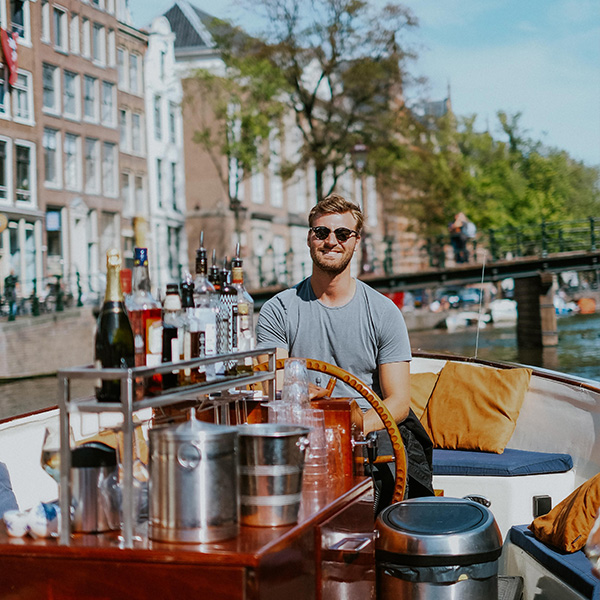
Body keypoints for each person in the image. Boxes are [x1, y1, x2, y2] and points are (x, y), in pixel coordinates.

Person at [256, 194, 434, 505]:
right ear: (310, 238)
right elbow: (273, 384)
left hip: (364, 432)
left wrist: (350, 429)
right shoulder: (278, 311)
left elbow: (399, 403)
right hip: (301, 433)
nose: (331, 242)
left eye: (342, 234)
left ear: (356, 241)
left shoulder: (383, 312)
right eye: (322, 232)